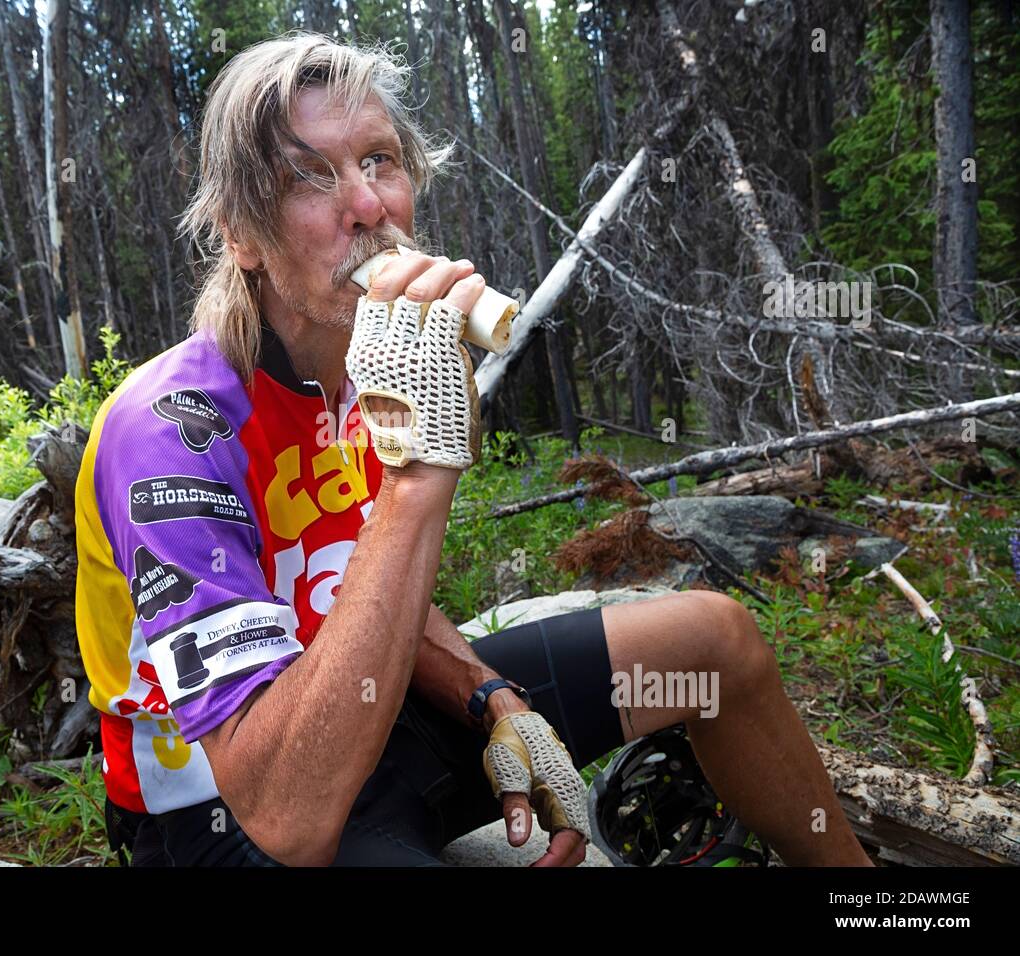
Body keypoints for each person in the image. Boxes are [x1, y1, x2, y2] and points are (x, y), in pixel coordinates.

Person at [73, 32, 874, 867]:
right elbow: (287, 816)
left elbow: (356, 586)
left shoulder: (358, 366)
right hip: (227, 809)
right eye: (312, 175)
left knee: (714, 644)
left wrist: (491, 698)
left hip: (375, 721)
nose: (369, 206)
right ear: (242, 235)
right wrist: (419, 474)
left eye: (380, 161)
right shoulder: (173, 430)